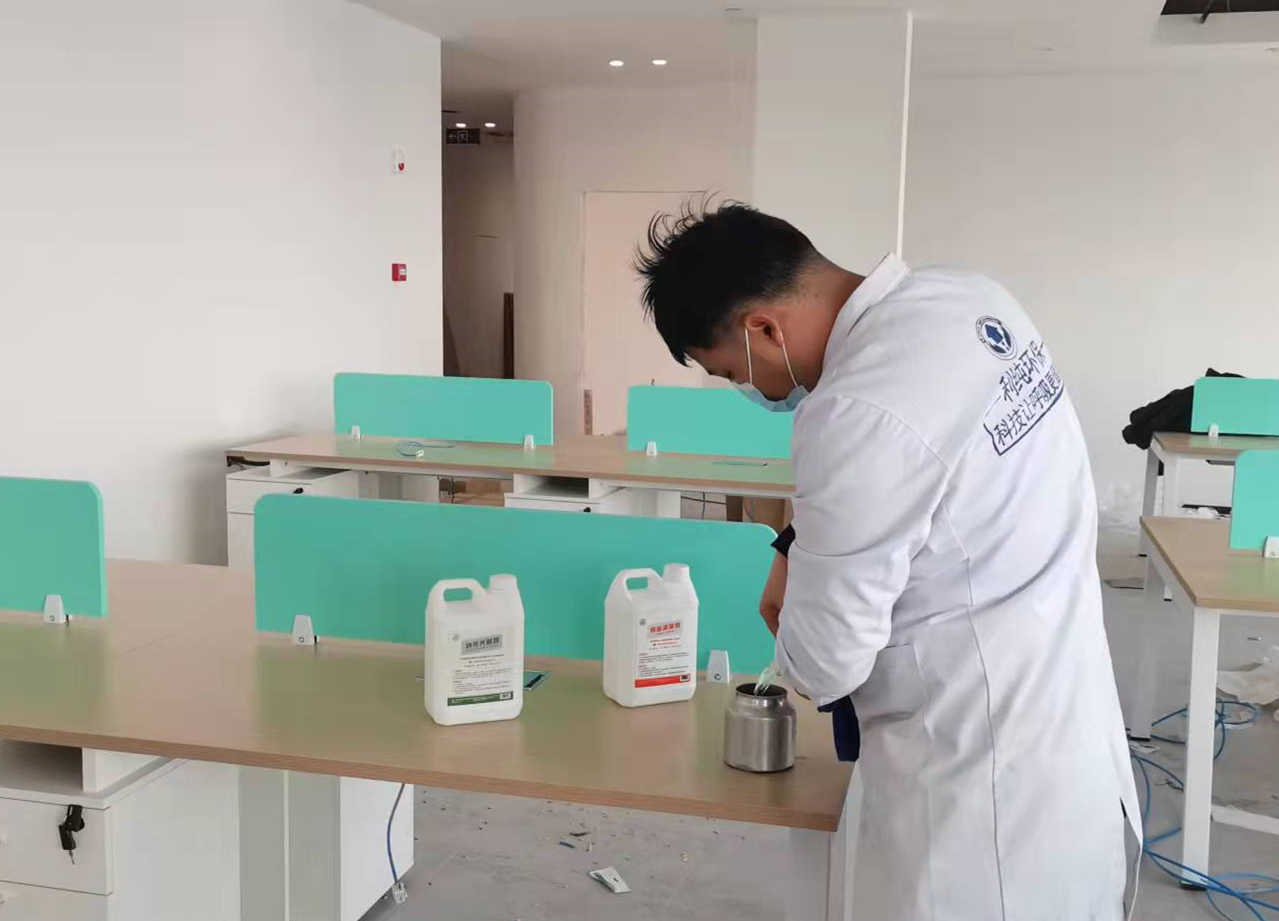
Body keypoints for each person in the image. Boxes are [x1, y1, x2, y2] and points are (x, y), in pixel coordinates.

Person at [635, 201, 1140, 921]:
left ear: (763, 329)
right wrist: (794, 545)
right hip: (1063, 714)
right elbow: (933, 472)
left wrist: (800, 627)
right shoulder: (967, 299)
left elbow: (826, 663)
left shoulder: (853, 409)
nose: (749, 389)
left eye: (729, 372)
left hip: (977, 786)